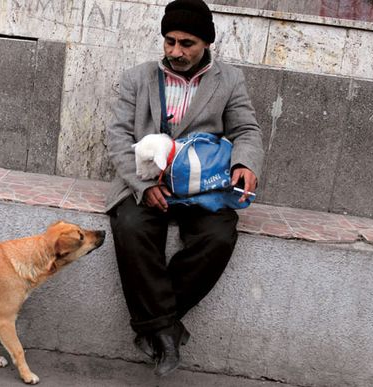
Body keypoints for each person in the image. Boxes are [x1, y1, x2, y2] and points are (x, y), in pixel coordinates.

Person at [105, 0, 264, 377]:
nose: (176, 51)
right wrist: (143, 185)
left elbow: (246, 130)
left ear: (206, 43)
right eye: (170, 42)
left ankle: (156, 325)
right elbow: (117, 137)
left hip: (200, 187)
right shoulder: (137, 78)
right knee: (130, 227)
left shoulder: (229, 80)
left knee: (219, 238)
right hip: (145, 181)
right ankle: (166, 329)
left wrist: (245, 163)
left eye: (187, 43)